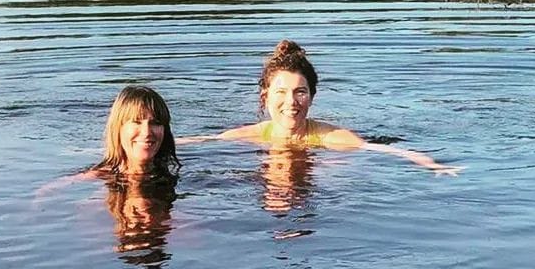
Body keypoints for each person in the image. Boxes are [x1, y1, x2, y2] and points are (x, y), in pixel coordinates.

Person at [181, 39, 458, 174]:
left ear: (312, 97)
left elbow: (385, 150)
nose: (291, 102)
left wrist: (434, 166)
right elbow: (200, 141)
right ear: (265, 97)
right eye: (281, 92)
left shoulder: (328, 137)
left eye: (300, 92)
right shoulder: (252, 135)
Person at [35, 84, 181, 201]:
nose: (147, 132)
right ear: (119, 128)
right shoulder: (101, 177)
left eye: (155, 123)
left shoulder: (173, 171)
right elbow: (47, 190)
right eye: (136, 122)